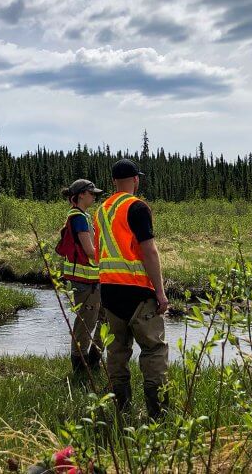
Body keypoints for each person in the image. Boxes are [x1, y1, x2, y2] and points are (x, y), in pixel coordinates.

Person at [94, 159, 169, 418]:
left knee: (117, 351)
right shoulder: (137, 207)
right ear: (135, 179)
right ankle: (158, 414)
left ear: (114, 181)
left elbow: (98, 251)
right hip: (138, 290)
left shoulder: (102, 210)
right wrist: (160, 292)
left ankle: (121, 410)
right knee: (154, 350)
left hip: (110, 291)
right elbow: (149, 251)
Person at [59, 179, 105, 373]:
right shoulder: (78, 217)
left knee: (104, 320)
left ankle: (93, 363)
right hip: (85, 283)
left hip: (93, 280)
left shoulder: (84, 216)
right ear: (80, 195)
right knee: (85, 325)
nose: (94, 196)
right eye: (91, 192)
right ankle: (81, 370)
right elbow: (89, 251)